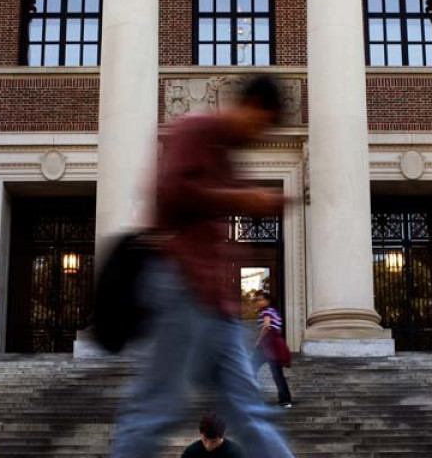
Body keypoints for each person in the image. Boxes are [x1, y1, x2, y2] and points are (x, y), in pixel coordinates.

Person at [110, 76, 294, 458]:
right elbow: (169, 193)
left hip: (218, 305)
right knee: (157, 408)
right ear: (250, 106)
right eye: (262, 124)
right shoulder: (195, 130)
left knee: (249, 411)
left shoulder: (226, 155)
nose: (260, 136)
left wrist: (245, 198)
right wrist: (244, 198)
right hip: (181, 287)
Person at [252, 292, 293, 408]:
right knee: (277, 374)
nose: (258, 302)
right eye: (257, 300)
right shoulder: (275, 312)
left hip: (267, 343)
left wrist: (258, 341)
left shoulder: (266, 311)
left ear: (267, 301)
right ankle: (285, 401)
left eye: (260, 300)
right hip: (276, 343)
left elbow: (266, 326)